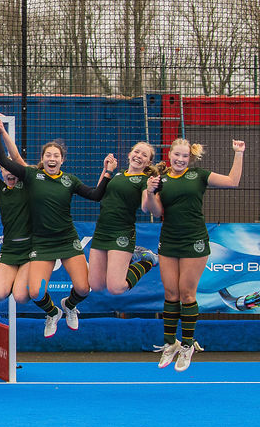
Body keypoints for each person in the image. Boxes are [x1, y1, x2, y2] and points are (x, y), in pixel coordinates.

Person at [0, 128, 116, 334]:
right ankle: (52, 313)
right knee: (35, 292)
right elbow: (4, 160)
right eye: (48, 155)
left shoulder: (70, 180)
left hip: (68, 240)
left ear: (62, 160)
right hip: (42, 244)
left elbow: (96, 195)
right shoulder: (32, 175)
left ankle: (69, 305)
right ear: (42, 159)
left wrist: (107, 172)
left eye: (56, 156)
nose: (52, 159)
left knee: (83, 288)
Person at [145, 138, 245, 371]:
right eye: (177, 155)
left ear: (190, 158)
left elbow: (232, 182)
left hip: (194, 241)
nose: (180, 159)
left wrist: (238, 153)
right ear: (170, 155)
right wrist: (150, 192)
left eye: (185, 156)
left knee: (187, 294)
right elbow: (156, 211)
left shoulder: (199, 175)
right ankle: (170, 343)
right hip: (169, 240)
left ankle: (187, 345)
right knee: (171, 293)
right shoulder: (161, 179)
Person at [0, 114, 69, 336]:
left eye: (13, 170)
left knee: (22, 296)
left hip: (31, 248)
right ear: (2, 172)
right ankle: (49, 308)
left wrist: (1, 130)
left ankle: (53, 311)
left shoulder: (30, 183)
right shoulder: (0, 189)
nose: (10, 172)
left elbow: (16, 158)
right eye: (6, 170)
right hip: (10, 250)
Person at [88, 141, 160, 304]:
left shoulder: (144, 180)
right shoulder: (119, 174)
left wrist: (150, 191)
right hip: (102, 231)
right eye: (137, 152)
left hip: (122, 233)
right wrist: (106, 169)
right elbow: (99, 193)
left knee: (116, 287)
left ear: (148, 162)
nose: (139, 156)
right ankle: (134, 255)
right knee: (96, 285)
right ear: (129, 154)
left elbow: (145, 207)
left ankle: (148, 260)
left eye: (144, 155)